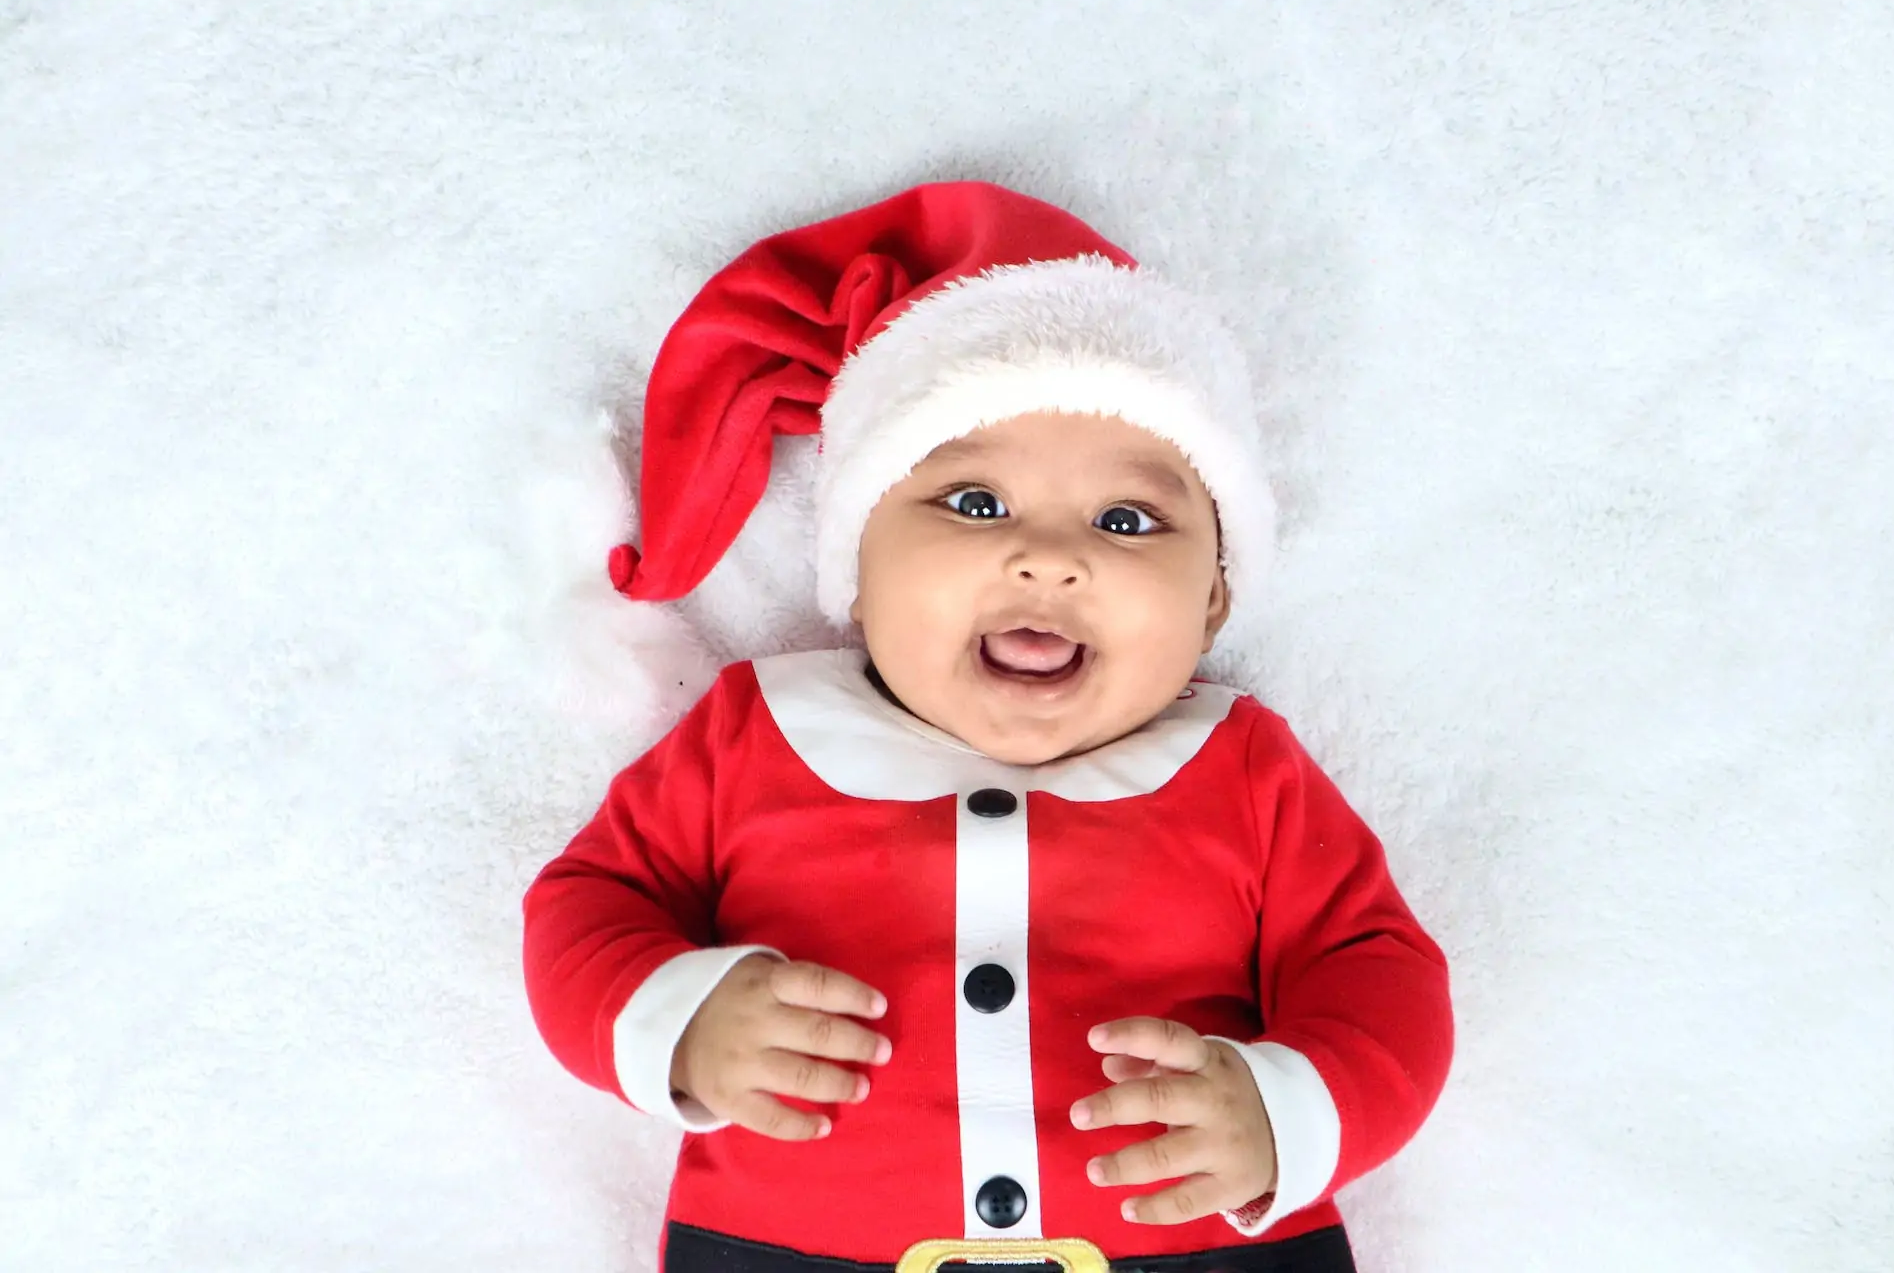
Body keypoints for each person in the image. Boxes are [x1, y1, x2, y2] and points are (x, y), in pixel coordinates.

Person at [522, 182, 1453, 1273]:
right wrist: (679, 1023)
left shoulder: (1240, 763)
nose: (1051, 555)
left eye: (1127, 519)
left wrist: (1284, 1110)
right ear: (857, 565)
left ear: (1213, 598)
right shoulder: (755, 732)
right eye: (973, 503)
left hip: (1193, 1249)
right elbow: (584, 908)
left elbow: (1380, 971)